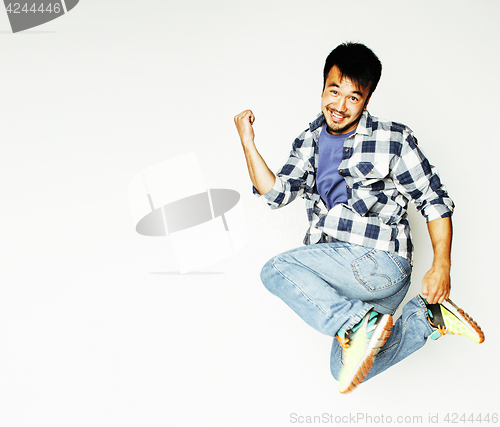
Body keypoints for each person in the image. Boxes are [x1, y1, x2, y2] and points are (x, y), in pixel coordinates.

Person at [234, 42, 484, 394]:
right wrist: (247, 141)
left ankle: (357, 321)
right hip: (348, 276)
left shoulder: (393, 139)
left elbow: (434, 201)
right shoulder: (308, 141)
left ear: (367, 100)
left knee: (276, 269)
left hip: (380, 261)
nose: (339, 105)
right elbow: (276, 195)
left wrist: (441, 264)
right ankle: (427, 318)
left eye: (353, 97)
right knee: (344, 370)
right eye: (334, 92)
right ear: (323, 87)